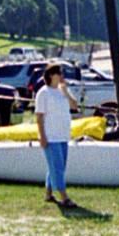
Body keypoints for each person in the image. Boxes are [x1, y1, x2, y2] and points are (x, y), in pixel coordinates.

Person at [35, 62, 78, 207]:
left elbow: (74, 106)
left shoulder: (62, 91)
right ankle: (64, 196)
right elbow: (39, 116)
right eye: (59, 73)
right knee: (57, 167)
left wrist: (66, 92)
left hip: (63, 135)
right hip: (51, 136)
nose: (61, 76)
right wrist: (42, 136)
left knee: (57, 166)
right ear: (51, 75)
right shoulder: (43, 93)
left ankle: (48, 193)